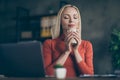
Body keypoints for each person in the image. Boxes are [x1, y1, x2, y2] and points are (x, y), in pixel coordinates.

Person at [43, 4, 94, 77]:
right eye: (66, 17)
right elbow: (47, 74)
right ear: (60, 21)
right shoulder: (49, 43)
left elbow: (90, 75)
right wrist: (66, 52)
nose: (71, 20)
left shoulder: (86, 45)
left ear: (78, 22)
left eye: (75, 17)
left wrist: (76, 51)